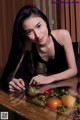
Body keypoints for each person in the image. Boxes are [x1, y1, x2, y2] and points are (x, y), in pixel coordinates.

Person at [0, 5, 80, 93]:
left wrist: (50, 78)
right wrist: (12, 81)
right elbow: (12, 72)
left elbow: (73, 70)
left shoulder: (63, 35)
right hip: (56, 81)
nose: (37, 35)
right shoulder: (28, 44)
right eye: (29, 32)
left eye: (38, 26)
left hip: (76, 76)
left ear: (45, 22)